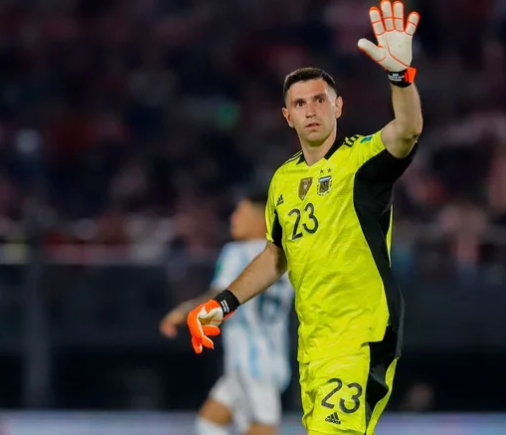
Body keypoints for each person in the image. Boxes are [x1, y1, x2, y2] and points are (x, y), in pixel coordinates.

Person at [186, 2, 422, 434]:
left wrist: (399, 76)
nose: (311, 110)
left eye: (319, 100)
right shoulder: (283, 180)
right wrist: (222, 304)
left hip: (360, 332)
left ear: (338, 107)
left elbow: (406, 131)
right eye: (300, 103)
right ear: (287, 115)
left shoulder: (361, 161)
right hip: (314, 343)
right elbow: (276, 256)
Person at [159, 191, 295, 435]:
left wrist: (183, 314)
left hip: (250, 360)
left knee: (263, 427)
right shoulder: (288, 254)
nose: (233, 218)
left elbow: (219, 299)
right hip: (273, 356)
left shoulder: (238, 253)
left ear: (261, 218)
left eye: (240, 212)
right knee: (208, 423)